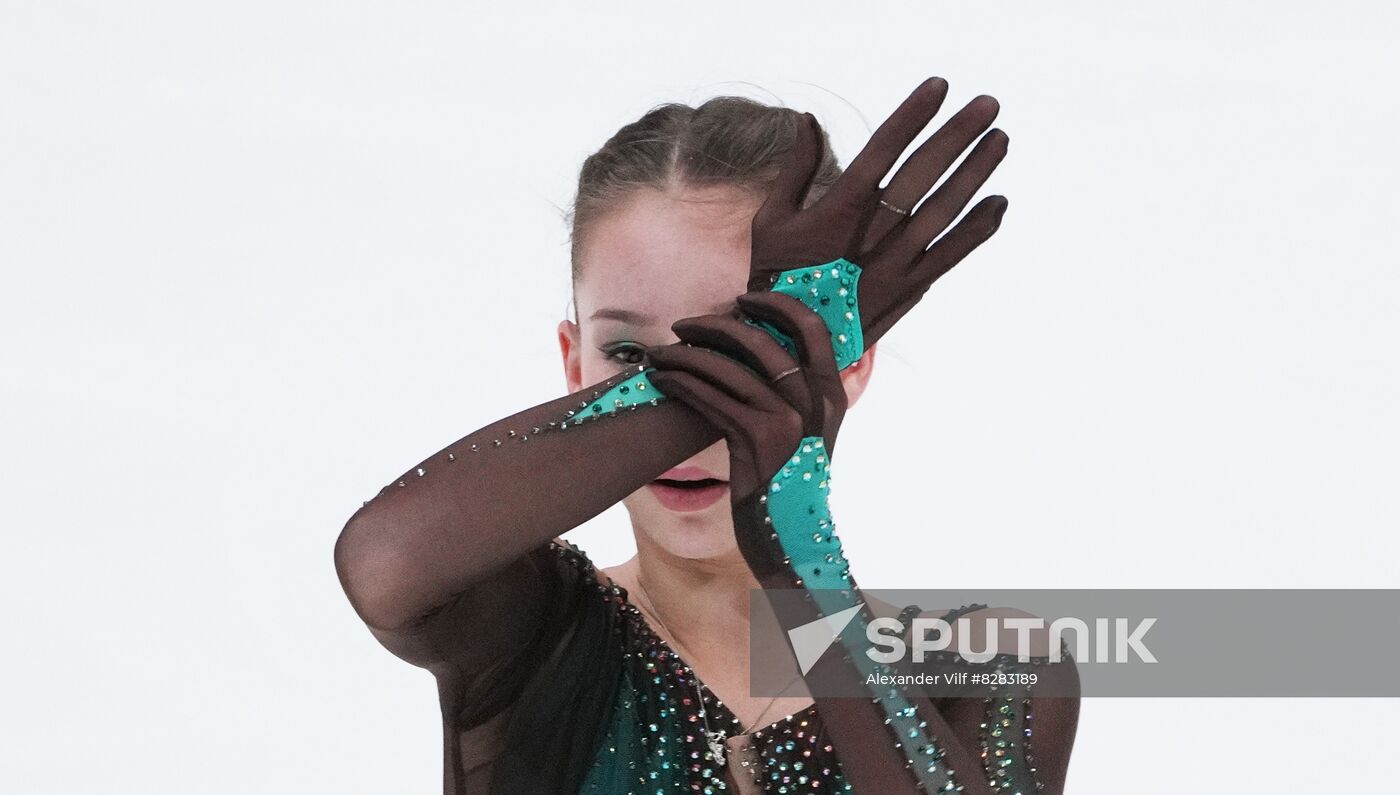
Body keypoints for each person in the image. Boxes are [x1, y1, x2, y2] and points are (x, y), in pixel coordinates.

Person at [334, 77, 1080, 794]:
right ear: (574, 362)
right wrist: (766, 370)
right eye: (630, 359)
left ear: (849, 366)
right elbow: (385, 557)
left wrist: (807, 569)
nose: (694, 439)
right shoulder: (528, 626)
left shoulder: (993, 664)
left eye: (753, 352)